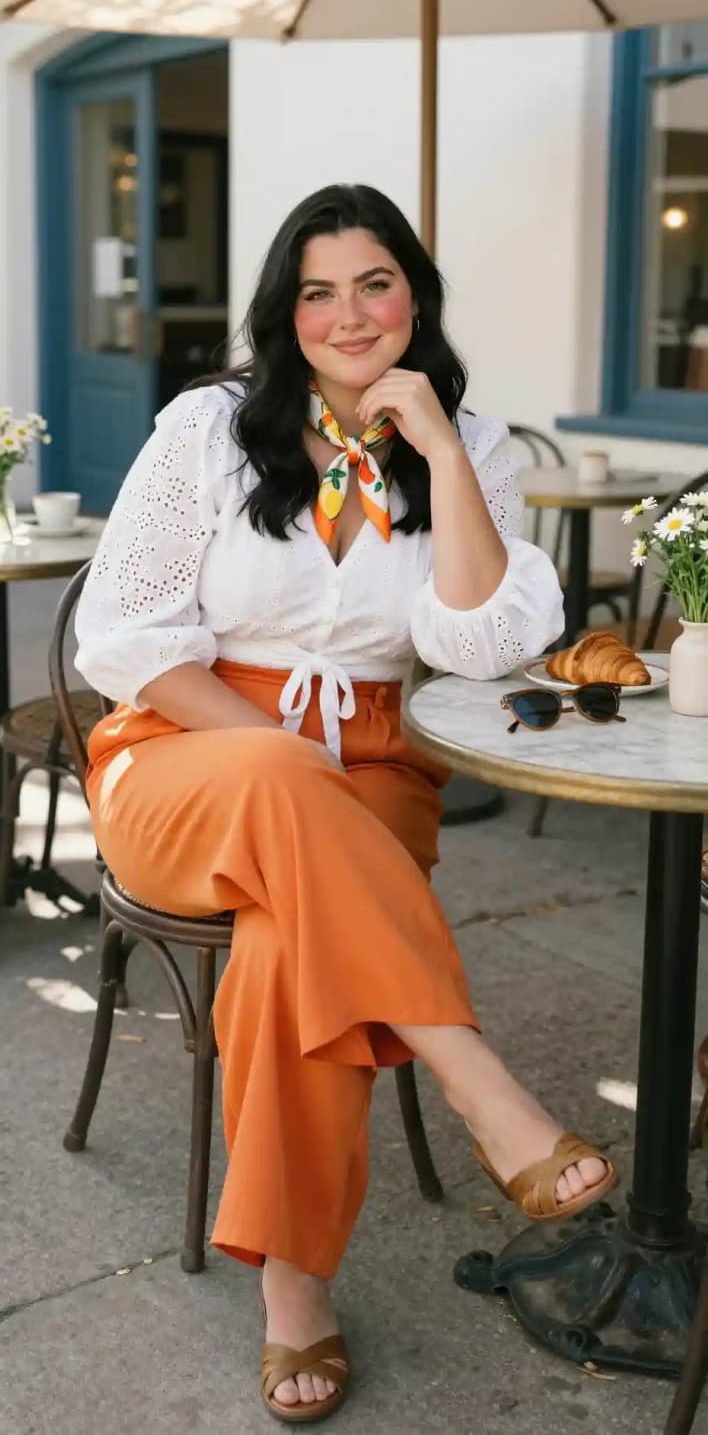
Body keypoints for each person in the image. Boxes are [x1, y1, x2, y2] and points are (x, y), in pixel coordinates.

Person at [74, 184, 618, 1425]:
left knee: (283, 950)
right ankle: (479, 1082)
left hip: (375, 759)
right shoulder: (209, 430)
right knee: (275, 778)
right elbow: (129, 636)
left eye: (373, 283)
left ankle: (295, 1293)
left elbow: (480, 645)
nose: (348, 313)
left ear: (412, 294)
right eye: (317, 291)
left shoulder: (472, 447)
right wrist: (282, 759)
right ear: (285, 311)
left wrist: (432, 442)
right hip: (185, 746)